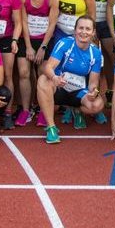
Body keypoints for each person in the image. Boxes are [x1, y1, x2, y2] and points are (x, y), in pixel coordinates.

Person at [36, 16, 105, 144]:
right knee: (43, 80)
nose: (84, 32)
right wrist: (54, 77)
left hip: (78, 91)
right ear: (75, 30)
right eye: (81, 28)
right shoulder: (65, 43)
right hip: (59, 86)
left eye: (88, 29)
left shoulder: (96, 53)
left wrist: (94, 92)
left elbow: (93, 82)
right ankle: (51, 128)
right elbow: (48, 67)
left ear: (93, 32)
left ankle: (76, 110)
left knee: (97, 105)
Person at [15, 0, 58, 127]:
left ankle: (42, 110)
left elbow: (52, 24)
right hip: (27, 39)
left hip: (45, 40)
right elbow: (23, 22)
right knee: (24, 73)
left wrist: (43, 47)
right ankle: (26, 110)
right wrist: (28, 46)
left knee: (42, 75)